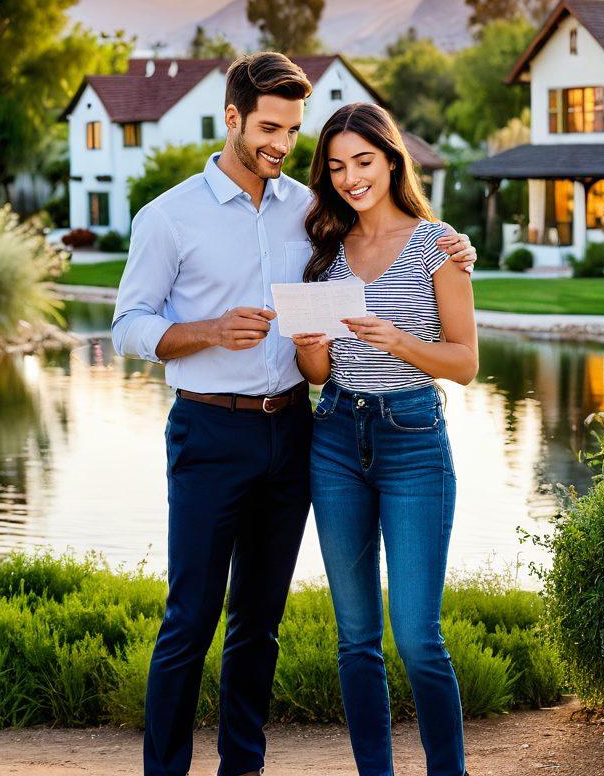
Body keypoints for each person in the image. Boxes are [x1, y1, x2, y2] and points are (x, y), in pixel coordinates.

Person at [111, 53, 476, 776]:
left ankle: (241, 769)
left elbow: (390, 256)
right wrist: (211, 331)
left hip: (298, 432)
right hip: (211, 429)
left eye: (291, 130)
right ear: (234, 119)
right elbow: (127, 326)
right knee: (190, 621)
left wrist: (451, 242)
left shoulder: (312, 218)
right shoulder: (169, 216)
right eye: (269, 127)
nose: (280, 143)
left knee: (259, 625)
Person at [293, 102, 479, 776]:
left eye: (363, 161)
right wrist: (312, 347)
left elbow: (464, 363)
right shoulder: (324, 252)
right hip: (337, 434)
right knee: (355, 640)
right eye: (337, 166)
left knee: (419, 639)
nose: (351, 177)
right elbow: (317, 373)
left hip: (412, 439)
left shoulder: (439, 243)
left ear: (392, 159)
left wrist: (398, 340)